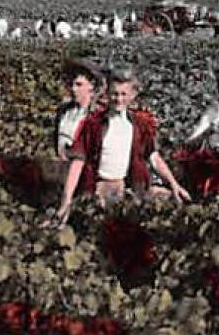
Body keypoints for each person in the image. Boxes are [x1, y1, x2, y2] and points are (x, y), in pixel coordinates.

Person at [47, 66, 190, 226]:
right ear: (107, 93)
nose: (119, 99)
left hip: (128, 188)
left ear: (133, 95)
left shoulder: (140, 124)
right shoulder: (93, 124)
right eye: (115, 94)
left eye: (124, 94)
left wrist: (174, 184)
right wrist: (66, 201)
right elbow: (78, 162)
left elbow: (153, 157)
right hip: (99, 188)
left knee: (170, 206)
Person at [52, 60, 103, 159]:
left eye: (79, 85)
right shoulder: (64, 111)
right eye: (72, 84)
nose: (74, 89)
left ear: (91, 85)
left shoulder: (97, 115)